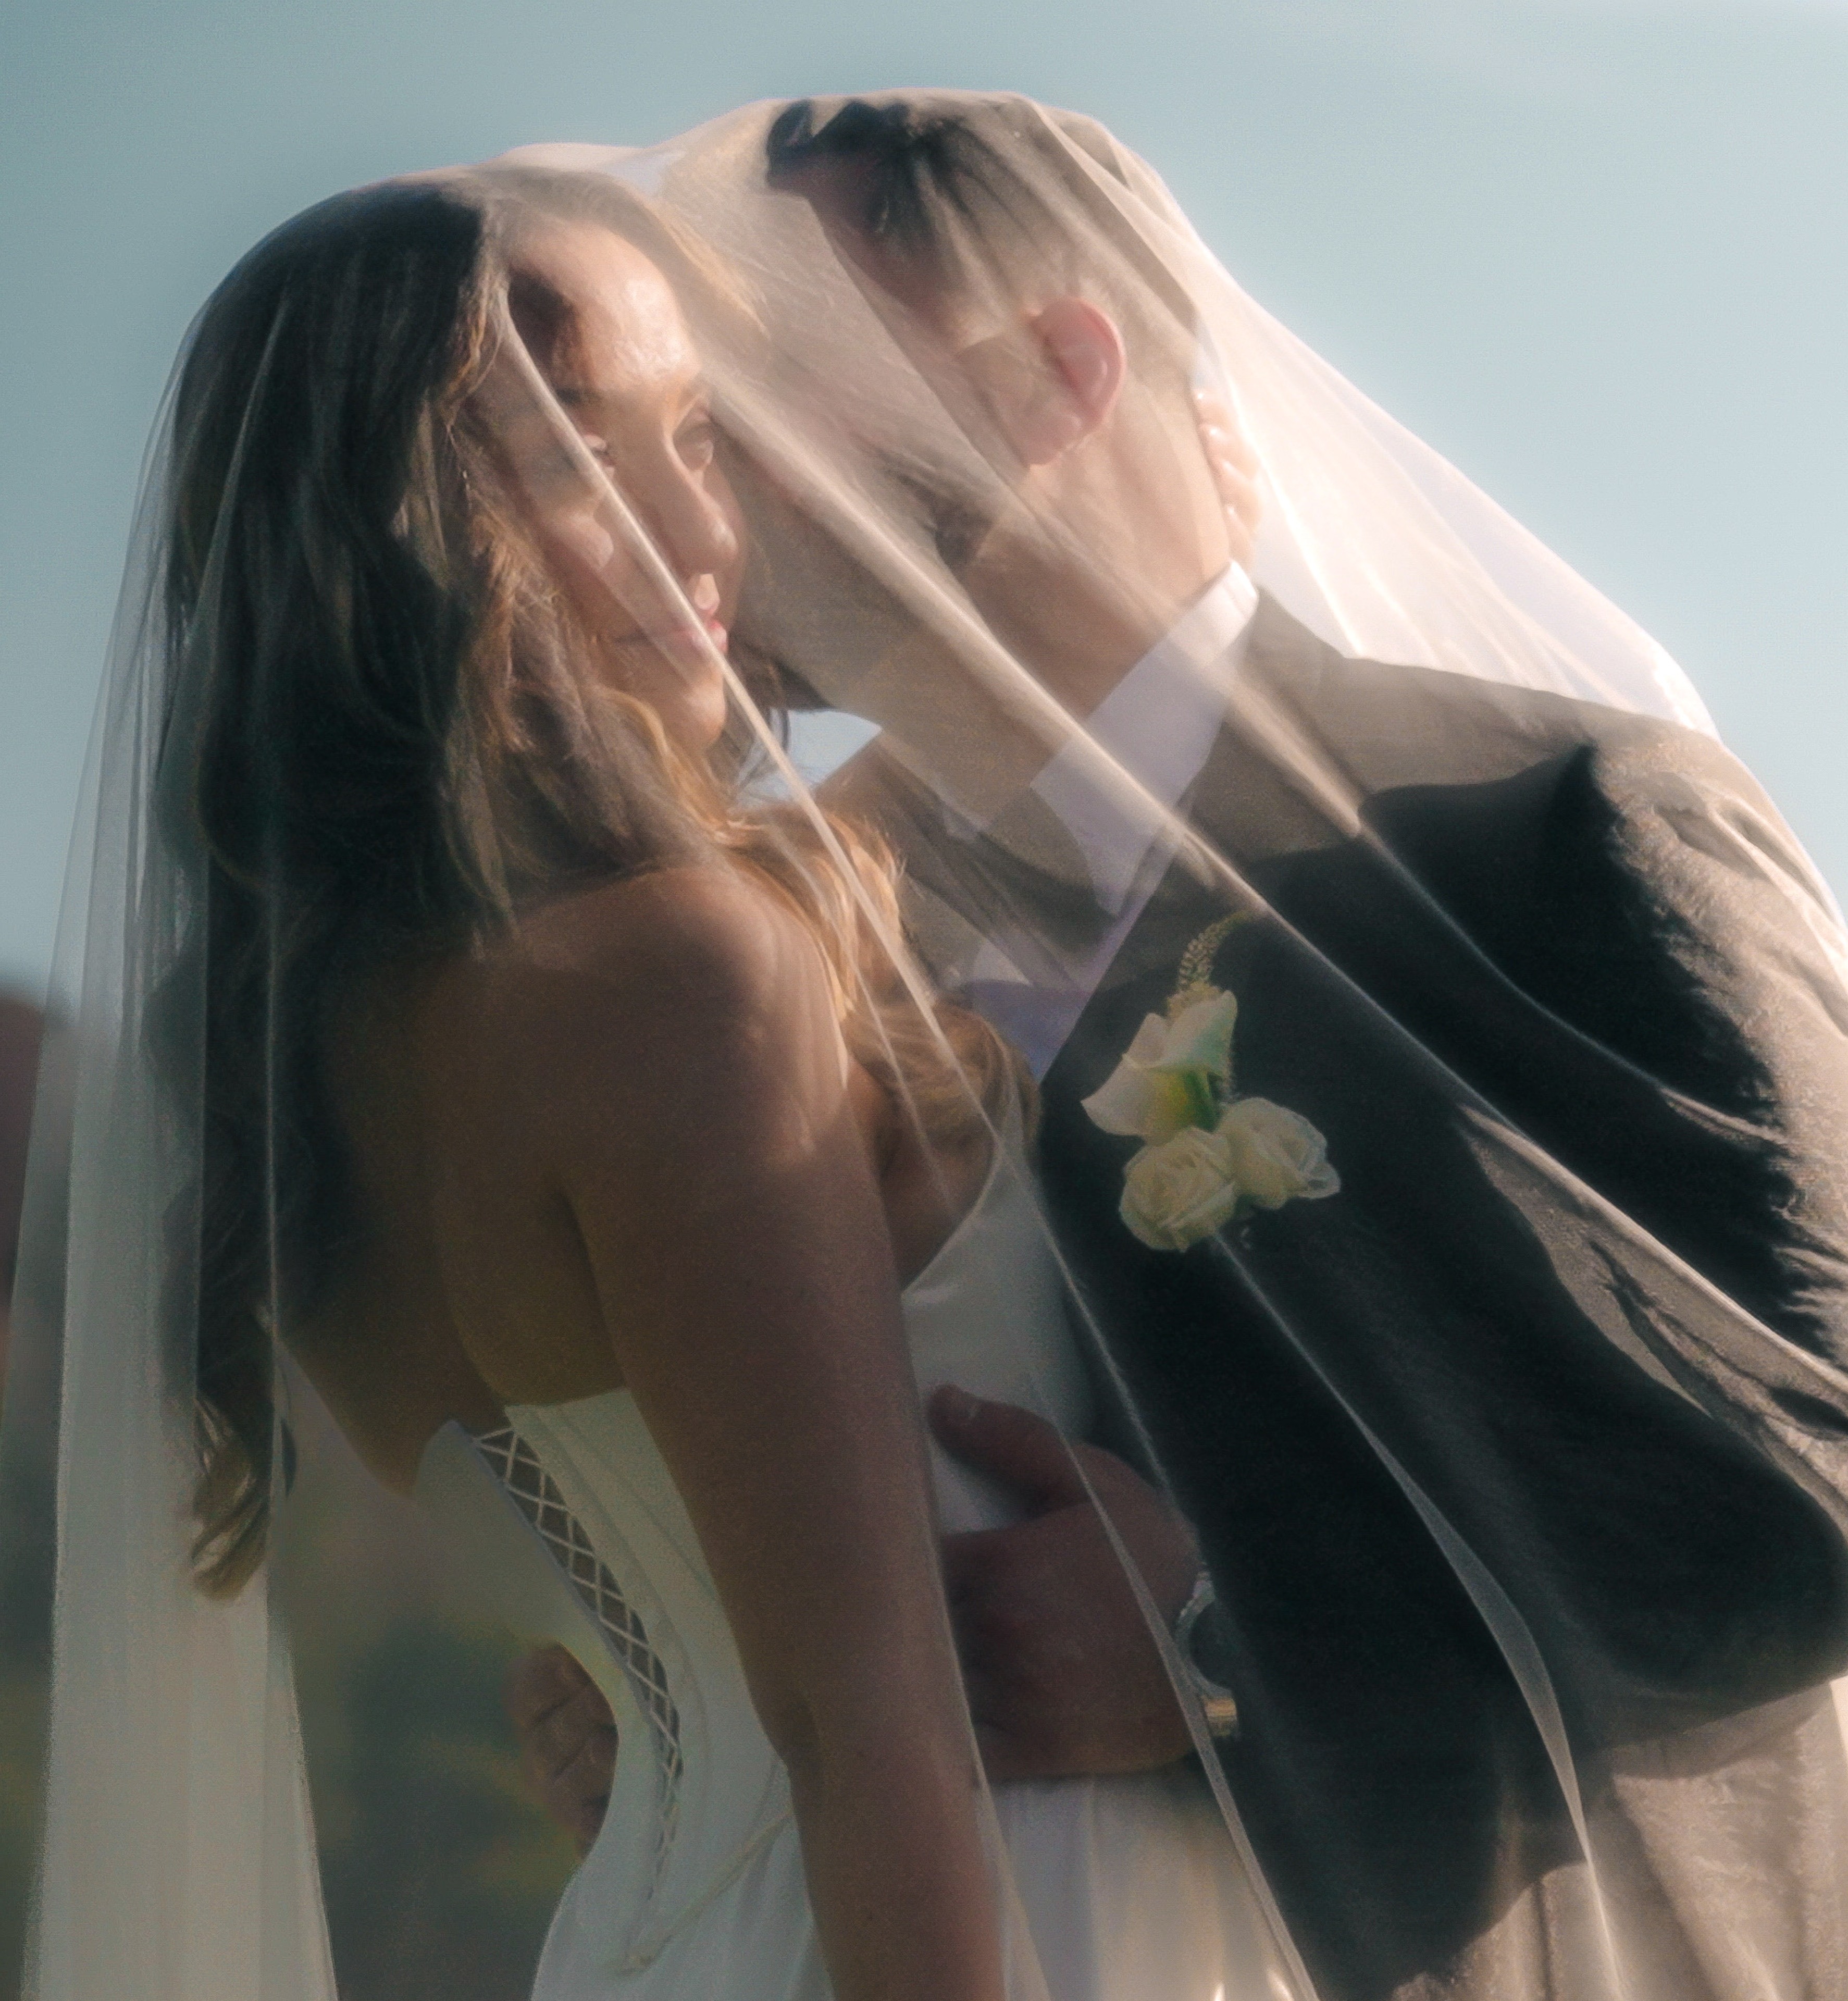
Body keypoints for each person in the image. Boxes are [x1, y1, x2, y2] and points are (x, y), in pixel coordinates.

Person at [502, 90, 1848, 2001]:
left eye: (766, 387)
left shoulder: (1559, 818)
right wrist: (709, 1707)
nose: (691, 493)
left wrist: (1224, 1634)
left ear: (1055, 372)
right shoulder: (788, 967)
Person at [4, 158, 1295, 2001]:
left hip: (648, 1934)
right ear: (414, 522)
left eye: (707, 436)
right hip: (964, 1927)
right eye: (591, 452)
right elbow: (867, 1729)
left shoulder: (302, 1070)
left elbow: (648, 1618)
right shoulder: (681, 981)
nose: (710, 523)